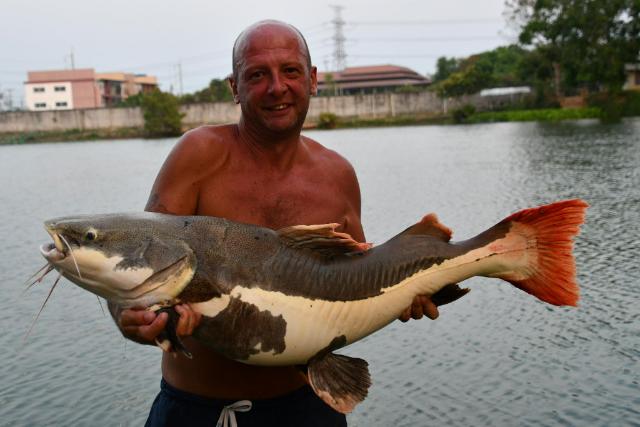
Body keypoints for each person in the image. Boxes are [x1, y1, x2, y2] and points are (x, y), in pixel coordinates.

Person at [110, 20, 443, 427]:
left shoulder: (337, 174)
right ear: (234, 87)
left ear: (312, 79)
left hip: (309, 408)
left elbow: (360, 280)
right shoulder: (198, 154)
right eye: (257, 75)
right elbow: (135, 260)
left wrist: (406, 293)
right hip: (198, 411)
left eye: (290, 71)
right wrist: (128, 315)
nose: (277, 87)